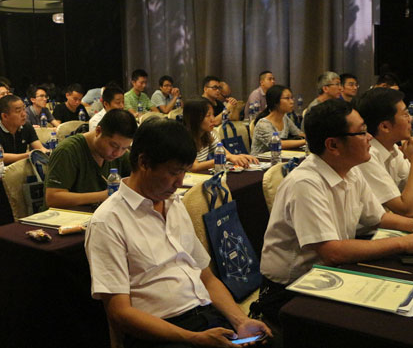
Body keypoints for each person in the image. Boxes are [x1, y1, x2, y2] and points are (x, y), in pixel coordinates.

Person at [85, 118, 272, 348]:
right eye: (174, 172)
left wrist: (240, 321)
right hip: (160, 332)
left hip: (205, 315)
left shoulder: (174, 204)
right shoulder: (108, 221)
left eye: (184, 172)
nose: (180, 182)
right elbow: (119, 313)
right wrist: (193, 338)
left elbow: (206, 277)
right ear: (144, 162)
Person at [256, 99, 413, 323]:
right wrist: (405, 243)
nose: (369, 137)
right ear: (333, 145)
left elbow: (379, 217)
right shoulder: (304, 183)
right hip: (291, 291)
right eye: (361, 132)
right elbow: (332, 251)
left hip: (333, 273)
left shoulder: (350, 170)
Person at [355, 88, 413, 217]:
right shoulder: (367, 156)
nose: (410, 119)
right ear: (385, 127)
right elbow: (408, 210)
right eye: (405, 115)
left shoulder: (393, 149)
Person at [45, 109, 136, 209]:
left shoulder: (120, 155)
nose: (117, 153)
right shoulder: (67, 151)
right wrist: (106, 195)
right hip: (69, 216)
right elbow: (53, 198)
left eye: (124, 148)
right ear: (98, 131)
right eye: (113, 145)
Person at [183, 98, 258, 169]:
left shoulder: (209, 134)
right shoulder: (185, 138)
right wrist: (227, 158)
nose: (213, 119)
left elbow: (226, 154)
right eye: (208, 116)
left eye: (213, 115)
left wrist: (240, 156)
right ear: (195, 118)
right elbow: (194, 167)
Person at [0, 95, 47, 164]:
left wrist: (47, 152)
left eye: (24, 109)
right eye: (18, 111)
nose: (24, 114)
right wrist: (28, 155)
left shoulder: (26, 126)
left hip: (21, 168)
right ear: (4, 116)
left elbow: (39, 148)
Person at [250, 85, 305, 155]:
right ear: (275, 102)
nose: (292, 102)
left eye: (292, 98)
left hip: (280, 156)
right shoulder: (263, 124)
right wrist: (306, 141)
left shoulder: (284, 118)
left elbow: (299, 133)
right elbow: (278, 144)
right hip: (260, 160)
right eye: (287, 98)